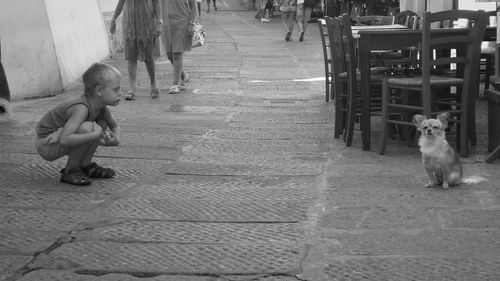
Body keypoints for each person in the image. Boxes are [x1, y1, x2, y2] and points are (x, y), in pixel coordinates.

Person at [34, 63, 122, 186]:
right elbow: (65, 140)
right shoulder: (81, 108)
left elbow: (114, 125)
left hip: (59, 138)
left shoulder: (101, 107)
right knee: (87, 128)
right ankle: (71, 170)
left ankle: (85, 165)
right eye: (116, 89)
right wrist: (96, 134)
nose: (120, 93)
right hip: (47, 143)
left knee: (101, 123)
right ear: (99, 91)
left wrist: (116, 139)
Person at [110, 0, 162, 100]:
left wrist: (159, 22)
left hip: (146, 21)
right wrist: (113, 19)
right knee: (131, 55)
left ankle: (153, 84)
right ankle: (132, 88)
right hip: (129, 22)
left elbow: (156, 2)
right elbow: (121, 2)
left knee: (148, 55)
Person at [161, 0, 197, 94]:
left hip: (182, 23)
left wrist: (192, 24)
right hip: (166, 24)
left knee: (177, 53)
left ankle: (176, 84)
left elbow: (193, 6)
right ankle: (183, 75)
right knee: (169, 55)